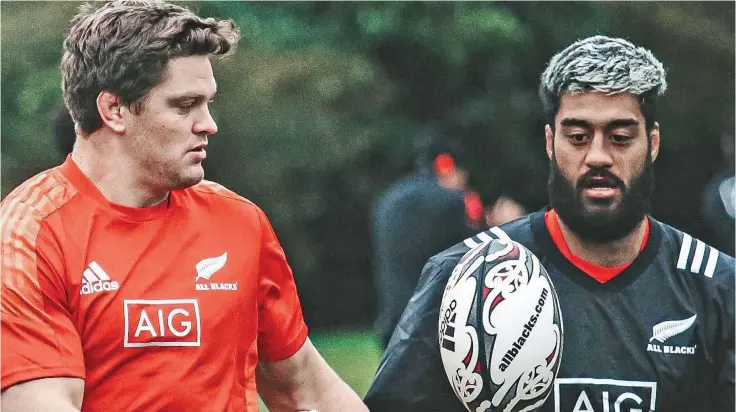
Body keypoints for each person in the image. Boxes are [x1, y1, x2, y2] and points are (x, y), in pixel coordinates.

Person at [0, 2, 368, 412]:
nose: (208, 124)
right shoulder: (29, 234)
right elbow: (41, 402)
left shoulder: (241, 222)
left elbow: (306, 392)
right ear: (114, 110)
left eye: (207, 103)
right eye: (184, 105)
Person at [364, 35, 734, 412]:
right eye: (577, 137)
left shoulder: (716, 288)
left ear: (652, 144)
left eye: (621, 138)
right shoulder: (466, 277)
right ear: (549, 142)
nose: (598, 157)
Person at [371, 131, 484, 349]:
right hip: (435, 330)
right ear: (447, 166)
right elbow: (476, 257)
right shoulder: (452, 201)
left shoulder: (388, 198)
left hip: (392, 325)